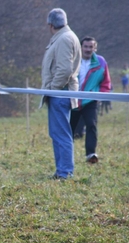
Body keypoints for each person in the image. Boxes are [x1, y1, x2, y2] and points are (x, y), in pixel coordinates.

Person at [41, 8, 81, 180]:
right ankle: (62, 170)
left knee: (61, 134)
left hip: (61, 93)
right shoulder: (65, 36)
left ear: (50, 24)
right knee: (57, 133)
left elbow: (65, 70)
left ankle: (65, 172)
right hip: (60, 92)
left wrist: (53, 88)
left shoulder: (64, 39)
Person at [70, 36, 111, 164]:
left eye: (91, 47)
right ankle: (67, 155)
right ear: (81, 47)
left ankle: (91, 154)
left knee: (91, 125)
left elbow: (106, 82)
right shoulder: (73, 60)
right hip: (73, 100)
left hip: (90, 101)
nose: (88, 49)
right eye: (85, 47)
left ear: (95, 48)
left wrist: (102, 96)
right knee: (70, 129)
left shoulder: (101, 62)